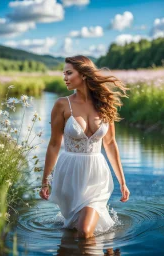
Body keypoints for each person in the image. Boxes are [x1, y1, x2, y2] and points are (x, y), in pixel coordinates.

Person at [39, 55, 130, 239]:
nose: (64, 77)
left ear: (84, 75)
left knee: (85, 231)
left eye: (69, 73)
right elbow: (55, 144)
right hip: (70, 174)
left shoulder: (105, 104)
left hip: (96, 174)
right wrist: (45, 180)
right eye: (63, 73)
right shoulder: (62, 104)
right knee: (74, 229)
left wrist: (122, 181)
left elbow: (110, 144)